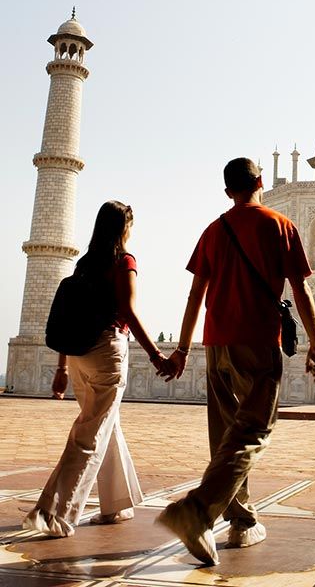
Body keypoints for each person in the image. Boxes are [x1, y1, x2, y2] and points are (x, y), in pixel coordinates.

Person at [156, 158, 315, 566]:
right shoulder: (279, 225)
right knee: (253, 431)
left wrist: (182, 348)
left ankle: (241, 519)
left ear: (228, 191)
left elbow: (195, 295)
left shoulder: (213, 231)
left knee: (227, 435)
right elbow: (300, 291)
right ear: (262, 182)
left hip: (215, 342)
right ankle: (197, 512)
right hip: (257, 341)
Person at [23, 201, 169, 538]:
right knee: (89, 435)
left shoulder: (85, 263)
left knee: (105, 428)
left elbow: (68, 315)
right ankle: (55, 513)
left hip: (77, 356)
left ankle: (117, 504)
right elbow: (129, 312)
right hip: (106, 351)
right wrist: (156, 355)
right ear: (124, 228)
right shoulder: (124, 261)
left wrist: (61, 367)